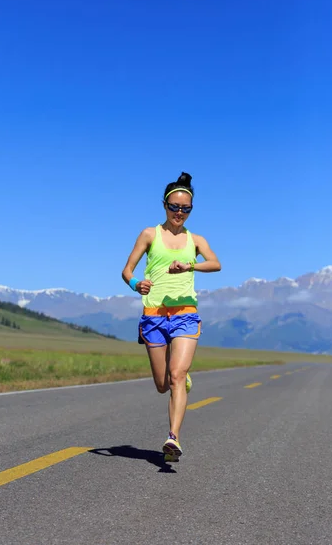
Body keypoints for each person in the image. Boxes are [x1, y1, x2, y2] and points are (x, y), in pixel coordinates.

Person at [122, 171, 221, 461]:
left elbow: (215, 264)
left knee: (176, 375)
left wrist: (190, 266)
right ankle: (181, 381)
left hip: (185, 315)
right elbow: (127, 270)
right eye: (174, 207)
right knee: (162, 384)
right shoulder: (149, 235)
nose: (179, 213)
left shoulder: (196, 240)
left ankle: (173, 438)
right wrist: (135, 284)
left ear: (191, 210)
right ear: (164, 206)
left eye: (185, 209)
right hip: (153, 317)